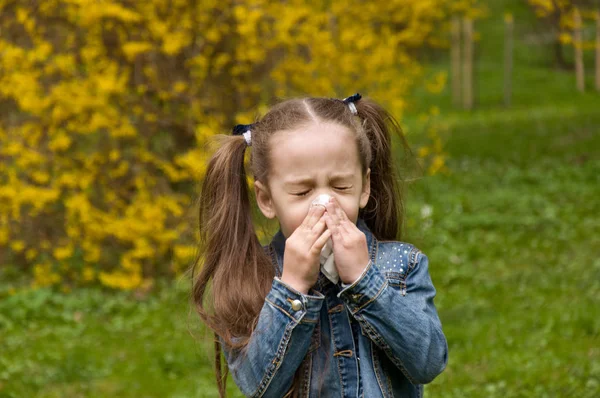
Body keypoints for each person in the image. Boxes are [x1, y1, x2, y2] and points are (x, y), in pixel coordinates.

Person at [192, 93, 448, 397]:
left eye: (341, 186)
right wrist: (293, 287)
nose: (325, 204)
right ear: (266, 199)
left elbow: (429, 362)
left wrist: (365, 281)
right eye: (302, 192)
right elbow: (258, 387)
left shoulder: (403, 265)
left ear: (364, 187)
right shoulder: (249, 278)